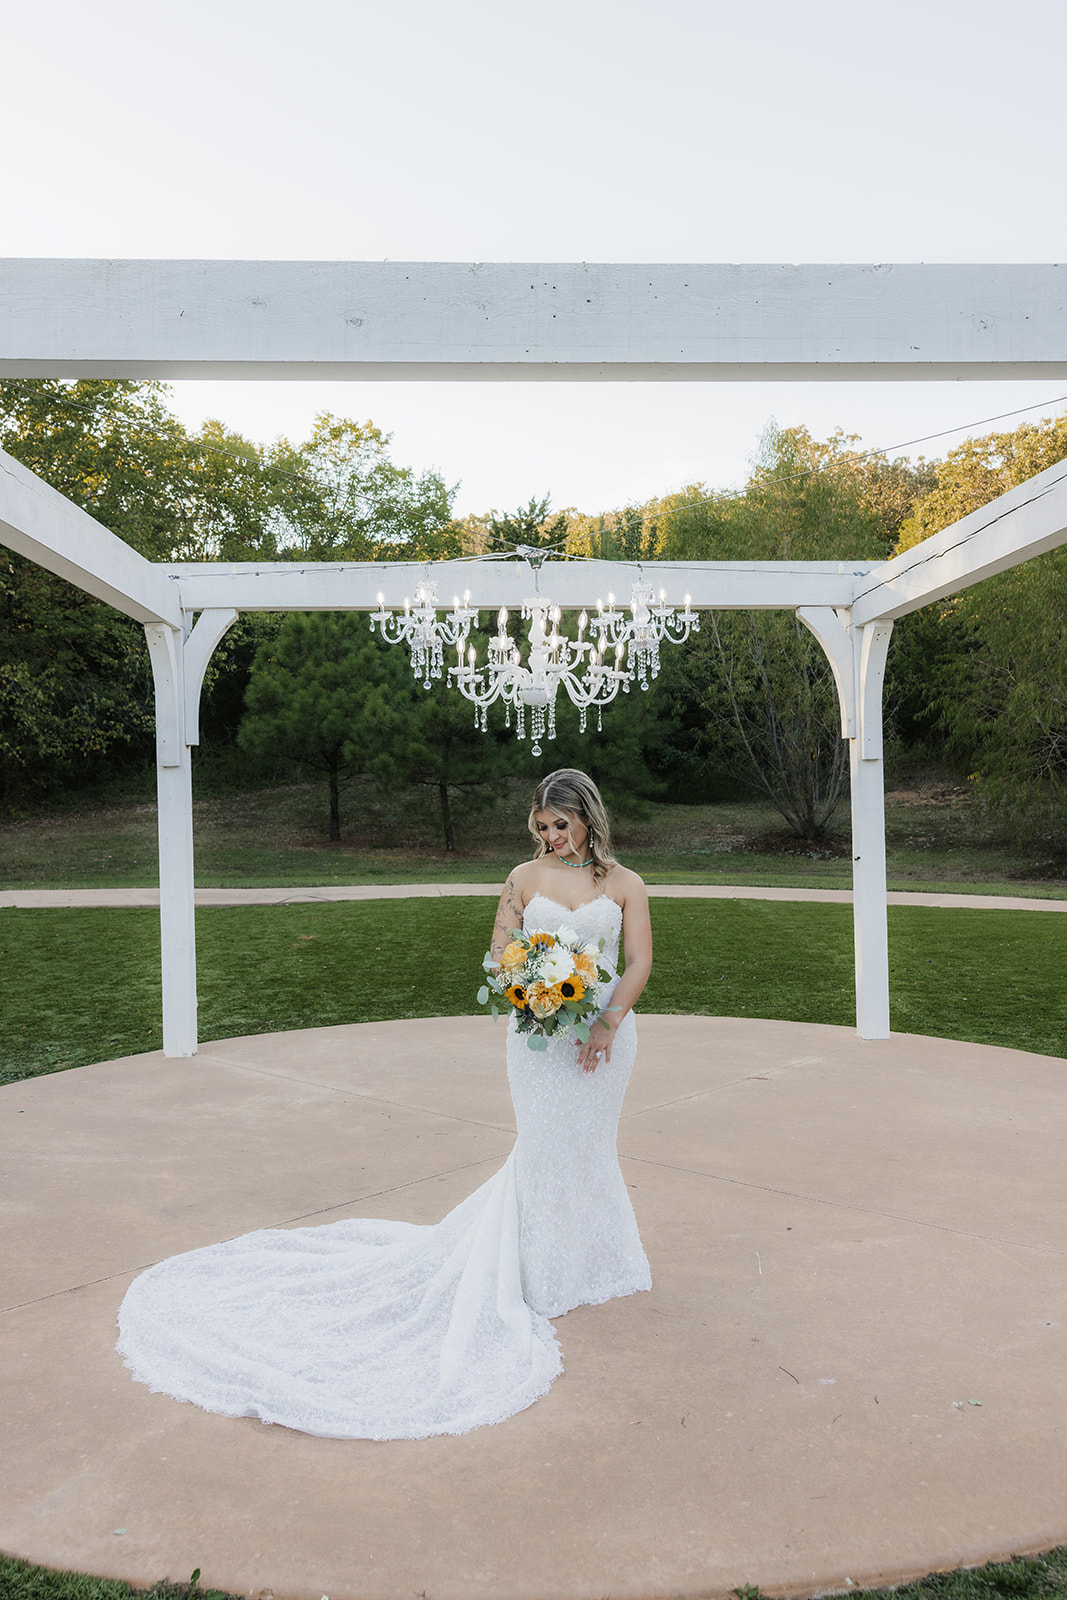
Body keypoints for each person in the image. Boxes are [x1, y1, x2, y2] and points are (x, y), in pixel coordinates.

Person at [117, 769, 652, 1439]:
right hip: (539, 1038)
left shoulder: (625, 884)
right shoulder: (523, 878)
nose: (550, 836)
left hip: (606, 1038)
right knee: (543, 1147)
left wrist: (603, 1022)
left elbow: (636, 963)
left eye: (560, 825)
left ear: (587, 819)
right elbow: (500, 952)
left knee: (587, 1146)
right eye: (541, 826)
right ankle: (542, 1277)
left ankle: (596, 1262)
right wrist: (537, 989)